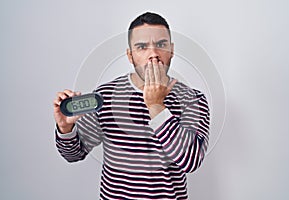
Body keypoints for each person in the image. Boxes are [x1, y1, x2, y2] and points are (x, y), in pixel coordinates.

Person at [54, 12, 210, 200]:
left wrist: (156, 106)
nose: (153, 54)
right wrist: (65, 128)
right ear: (130, 55)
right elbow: (73, 155)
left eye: (161, 45)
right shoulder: (105, 96)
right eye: (142, 47)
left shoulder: (192, 99)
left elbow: (191, 161)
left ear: (172, 50)